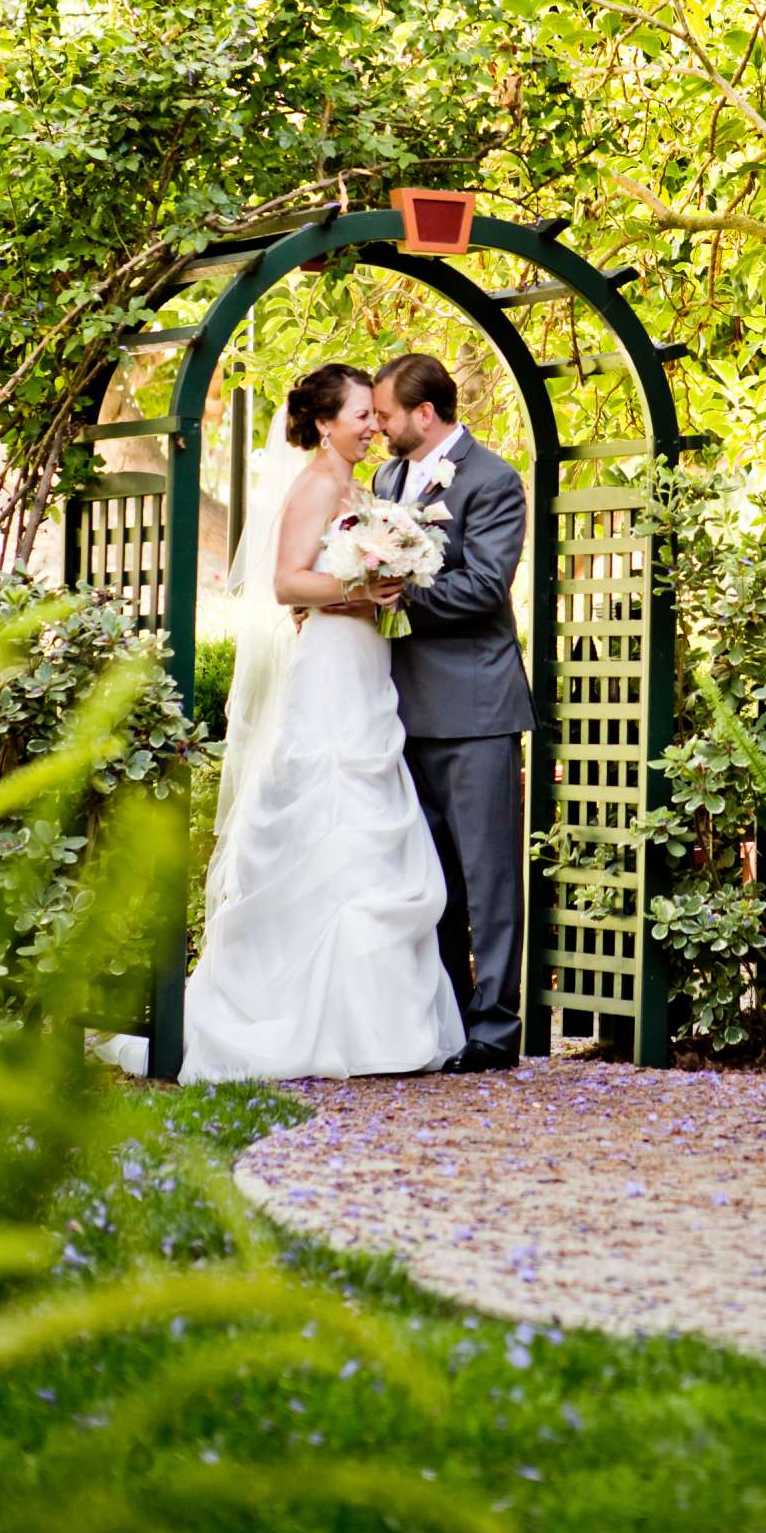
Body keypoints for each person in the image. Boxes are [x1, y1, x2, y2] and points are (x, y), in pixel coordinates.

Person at [103, 365, 465, 1083]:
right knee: (331, 814)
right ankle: (304, 1019)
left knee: (369, 820)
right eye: (362, 413)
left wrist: (382, 584)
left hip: (363, 664)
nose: (373, 424)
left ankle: (375, 1024)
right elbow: (285, 582)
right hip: (330, 667)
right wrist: (362, 586)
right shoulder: (316, 484)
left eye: (375, 413)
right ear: (326, 422)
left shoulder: (360, 486)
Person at [372, 353, 536, 1074]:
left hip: (476, 708)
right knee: (429, 877)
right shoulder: (383, 480)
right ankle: (446, 1022)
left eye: (385, 415)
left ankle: (496, 1031)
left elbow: (483, 587)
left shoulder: (494, 480)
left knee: (489, 875)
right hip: (400, 710)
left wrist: (399, 595)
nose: (376, 426)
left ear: (426, 414)